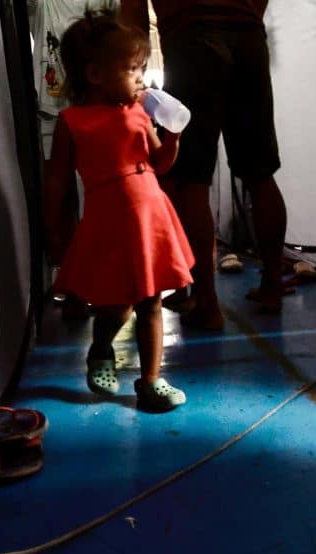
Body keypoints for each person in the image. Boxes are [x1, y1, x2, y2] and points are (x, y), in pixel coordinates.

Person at [44, 9, 194, 412]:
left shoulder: (139, 113)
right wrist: (53, 226)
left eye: (141, 69)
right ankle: (101, 346)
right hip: (108, 222)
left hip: (150, 217)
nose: (141, 79)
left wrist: (173, 140)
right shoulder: (72, 122)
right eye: (132, 69)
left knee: (151, 300)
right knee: (117, 304)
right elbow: (57, 180)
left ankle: (151, 381)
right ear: (95, 74)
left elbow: (160, 163)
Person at [121, 0, 289, 330]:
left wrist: (130, 73)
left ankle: (207, 304)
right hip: (248, 33)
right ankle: (272, 286)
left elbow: (133, 14)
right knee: (261, 173)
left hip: (191, 35)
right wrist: (247, 16)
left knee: (191, 180)